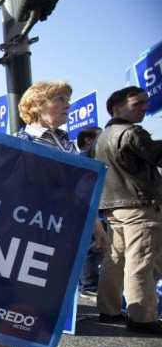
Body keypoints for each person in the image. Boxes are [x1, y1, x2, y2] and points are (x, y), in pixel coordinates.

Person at [13, 81, 109, 347]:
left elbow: (83, 192)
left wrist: (97, 230)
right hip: (36, 232)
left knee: (59, 295)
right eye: (59, 99)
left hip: (67, 231)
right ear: (37, 105)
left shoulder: (66, 143)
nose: (67, 105)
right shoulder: (21, 141)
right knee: (33, 295)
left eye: (67, 99)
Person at [91, 86, 162, 335]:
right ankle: (142, 317)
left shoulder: (100, 138)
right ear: (117, 108)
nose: (145, 107)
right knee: (140, 261)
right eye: (138, 104)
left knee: (115, 259)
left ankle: (108, 310)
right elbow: (157, 156)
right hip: (138, 205)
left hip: (112, 207)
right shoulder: (132, 133)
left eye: (145, 103)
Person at [76, 126, 105, 298]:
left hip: (94, 212)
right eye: (100, 137)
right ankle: (89, 285)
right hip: (90, 210)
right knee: (92, 248)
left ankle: (88, 284)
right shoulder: (85, 161)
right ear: (89, 140)